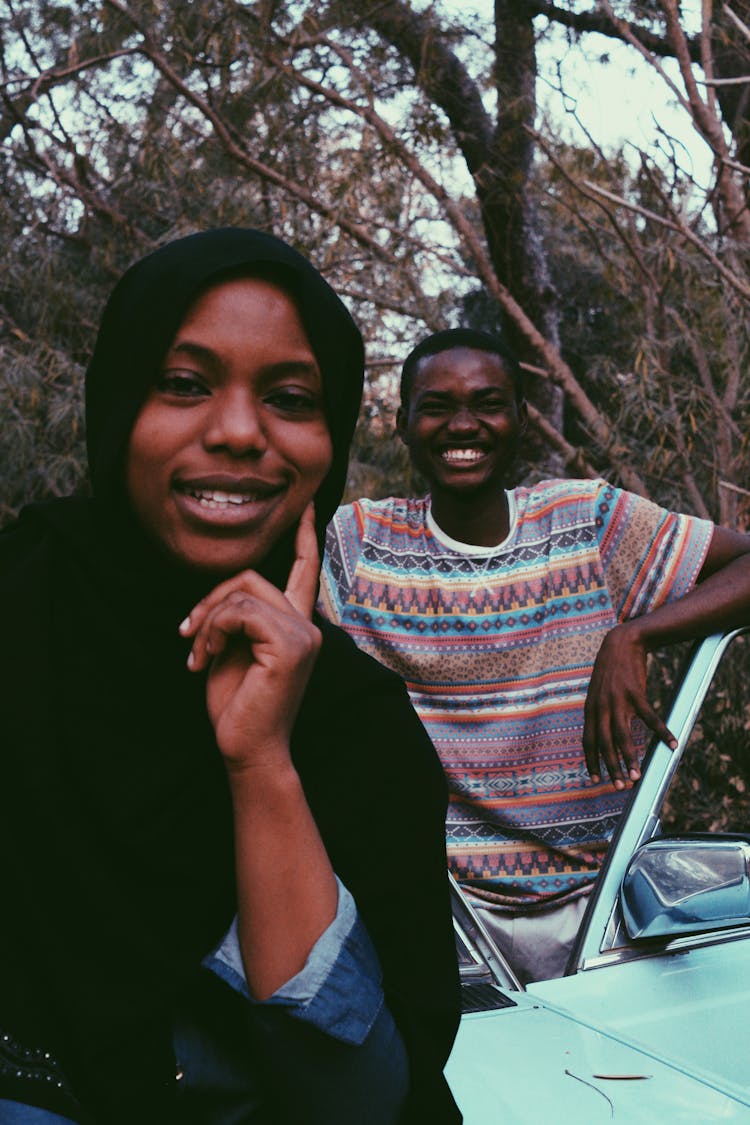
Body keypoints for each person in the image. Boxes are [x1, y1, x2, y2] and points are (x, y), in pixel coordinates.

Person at [0, 232, 462, 1124]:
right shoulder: (19, 622)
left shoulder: (359, 726)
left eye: (290, 398)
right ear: (119, 405)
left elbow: (358, 1102)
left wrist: (261, 763)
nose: (240, 432)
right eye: (184, 384)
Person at [320, 327, 750, 984]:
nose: (463, 425)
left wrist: (636, 634)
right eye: (435, 406)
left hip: (601, 910)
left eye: (487, 402)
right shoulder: (359, 543)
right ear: (403, 423)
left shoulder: (586, 522)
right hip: (439, 919)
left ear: (520, 417)